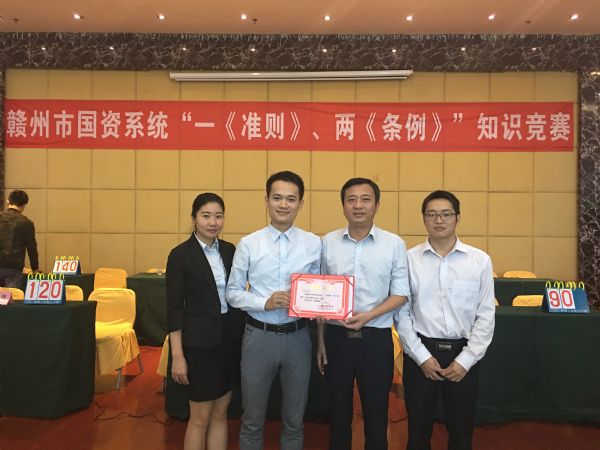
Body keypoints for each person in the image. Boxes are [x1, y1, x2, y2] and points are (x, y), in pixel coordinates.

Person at [226, 170, 321, 450]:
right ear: (266, 200)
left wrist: (317, 304)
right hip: (259, 337)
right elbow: (232, 293)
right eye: (277, 198)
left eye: (291, 199)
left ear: (301, 203)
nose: (283, 204)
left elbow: (320, 289)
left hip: (298, 337)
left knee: (294, 420)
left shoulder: (314, 243)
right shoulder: (249, 243)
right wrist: (264, 302)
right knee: (252, 418)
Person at [395, 190, 495, 450]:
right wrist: (421, 357)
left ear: (457, 217)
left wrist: (466, 360)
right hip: (421, 353)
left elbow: (485, 315)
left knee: (461, 433)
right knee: (418, 433)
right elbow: (402, 313)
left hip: (463, 353)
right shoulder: (408, 260)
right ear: (424, 218)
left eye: (446, 214)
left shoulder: (479, 260)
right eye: (432, 214)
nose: (438, 220)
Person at [317, 177, 410, 450]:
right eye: (351, 199)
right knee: (338, 413)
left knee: (376, 414)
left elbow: (401, 293)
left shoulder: (394, 244)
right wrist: (320, 341)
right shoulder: (327, 242)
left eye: (365, 199)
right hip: (336, 338)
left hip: (375, 338)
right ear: (343, 205)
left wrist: (368, 316)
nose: (358, 205)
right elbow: (320, 294)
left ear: (377, 205)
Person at [166, 192, 243, 450]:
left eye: (218, 216)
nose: (213, 222)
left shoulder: (230, 251)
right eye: (206, 216)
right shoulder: (180, 255)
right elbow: (174, 309)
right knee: (199, 419)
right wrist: (177, 355)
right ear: (194, 218)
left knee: (221, 414)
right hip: (199, 347)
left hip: (229, 342)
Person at [0, 189, 40, 287]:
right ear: (23, 205)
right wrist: (35, 268)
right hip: (14, 267)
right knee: (12, 295)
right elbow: (32, 248)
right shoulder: (27, 223)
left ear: (8, 201)